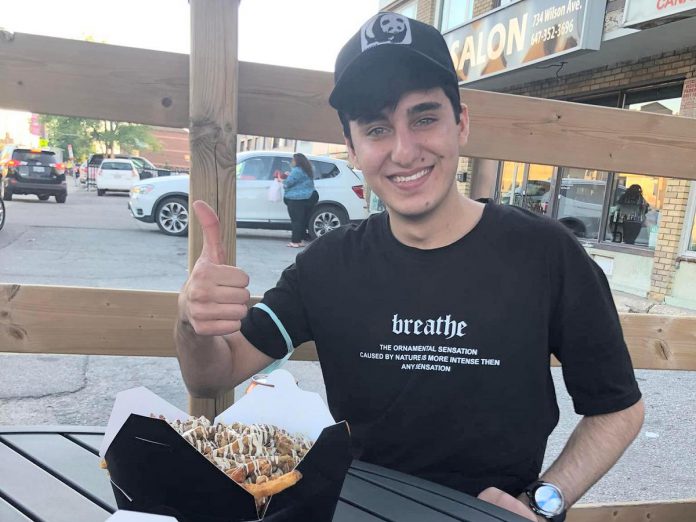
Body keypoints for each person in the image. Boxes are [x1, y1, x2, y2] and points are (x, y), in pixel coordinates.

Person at [176, 13, 644, 522]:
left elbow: (618, 407)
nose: (404, 151)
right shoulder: (328, 265)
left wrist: (543, 501)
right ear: (353, 149)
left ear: (460, 122)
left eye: (424, 118)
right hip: (359, 511)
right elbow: (213, 374)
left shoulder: (546, 254)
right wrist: (191, 321)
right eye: (377, 128)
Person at [282, 153, 316, 248]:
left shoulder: (297, 170)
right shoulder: (310, 169)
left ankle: (295, 242)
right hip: (310, 196)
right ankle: (300, 240)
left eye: (293, 160)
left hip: (297, 198)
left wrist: (281, 180)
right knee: (301, 220)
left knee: (296, 220)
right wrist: (290, 174)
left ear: (297, 161)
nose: (291, 162)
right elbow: (301, 178)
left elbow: (288, 183)